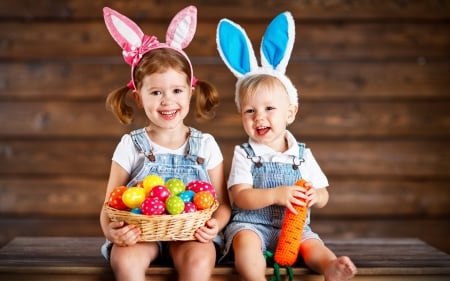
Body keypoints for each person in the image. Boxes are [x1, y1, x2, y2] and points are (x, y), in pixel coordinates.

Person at [216, 11, 357, 281]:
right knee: (245, 245)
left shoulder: (301, 154)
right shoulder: (244, 153)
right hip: (251, 224)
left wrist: (316, 196)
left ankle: (331, 267)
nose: (259, 117)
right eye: (249, 111)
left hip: (294, 228)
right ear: (241, 117)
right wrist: (275, 195)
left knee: (313, 246)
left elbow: (324, 193)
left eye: (269, 108)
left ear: (290, 113)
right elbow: (240, 197)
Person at [99, 6, 231, 281]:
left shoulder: (205, 144)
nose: (167, 101)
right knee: (124, 260)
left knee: (199, 260)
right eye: (156, 92)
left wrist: (214, 225)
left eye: (177, 91)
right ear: (138, 98)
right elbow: (109, 204)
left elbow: (222, 203)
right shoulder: (131, 145)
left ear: (191, 93)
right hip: (141, 234)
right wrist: (112, 231)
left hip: (190, 235)